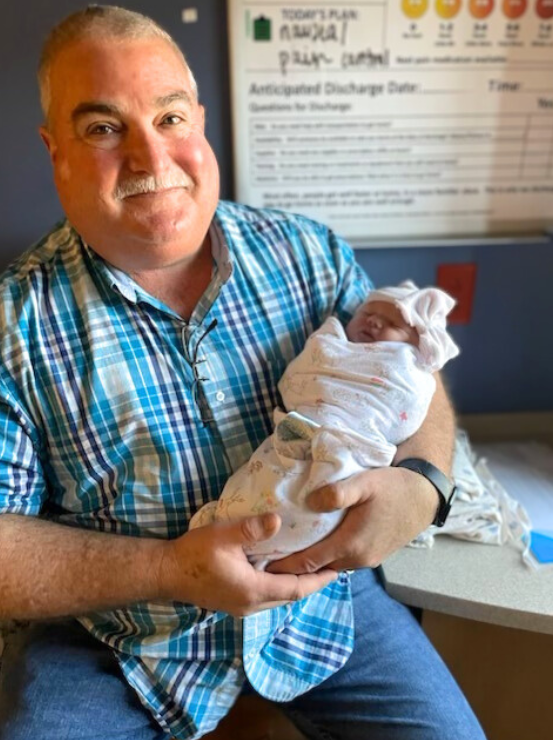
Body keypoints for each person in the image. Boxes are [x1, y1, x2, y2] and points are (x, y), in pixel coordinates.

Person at [0, 5, 486, 740]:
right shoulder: (13, 322)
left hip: (322, 608)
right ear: (54, 150)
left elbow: (410, 367)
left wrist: (423, 481)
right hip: (115, 640)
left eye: (169, 118)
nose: (150, 158)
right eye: (103, 128)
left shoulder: (307, 253)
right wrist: (171, 570)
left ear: (199, 122)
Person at [190, 281, 460, 569]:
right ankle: (227, 523)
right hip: (300, 430)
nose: (373, 321)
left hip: (351, 449)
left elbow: (413, 399)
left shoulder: (406, 368)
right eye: (368, 313)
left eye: (393, 323)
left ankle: (269, 550)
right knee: (263, 475)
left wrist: (421, 488)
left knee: (320, 498)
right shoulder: (331, 345)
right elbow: (298, 379)